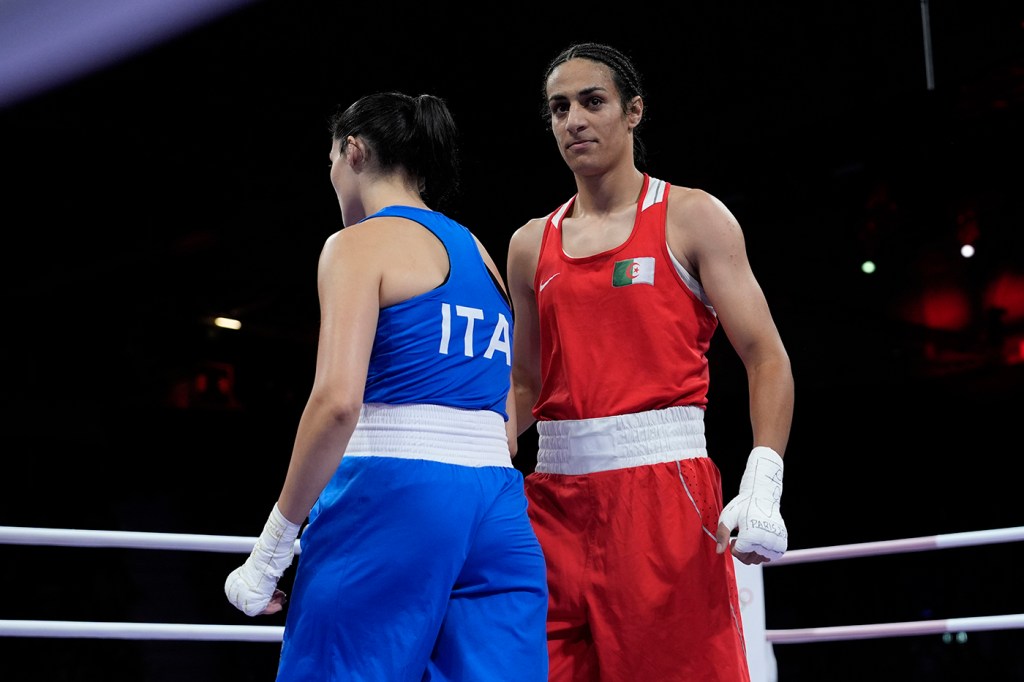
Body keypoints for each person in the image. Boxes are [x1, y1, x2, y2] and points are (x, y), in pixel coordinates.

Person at [225, 91, 549, 681]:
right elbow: (505, 430)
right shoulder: (480, 254)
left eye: (330, 159)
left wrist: (271, 551)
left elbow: (336, 402)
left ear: (352, 151)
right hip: (498, 507)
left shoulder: (357, 244)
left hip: (395, 495)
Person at [506, 43, 795, 682]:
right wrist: (467, 456)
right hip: (550, 502)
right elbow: (526, 382)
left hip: (664, 496)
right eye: (559, 108)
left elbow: (766, 356)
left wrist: (764, 481)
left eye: (592, 101)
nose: (573, 120)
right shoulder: (531, 244)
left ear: (634, 111)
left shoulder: (693, 217)